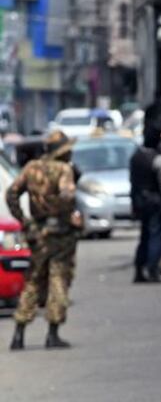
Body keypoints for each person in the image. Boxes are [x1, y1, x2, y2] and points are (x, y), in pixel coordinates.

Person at [7, 131, 81, 350]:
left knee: (33, 280)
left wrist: (25, 221)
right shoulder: (64, 170)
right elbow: (68, 196)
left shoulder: (31, 168)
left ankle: (19, 332)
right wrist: (64, 214)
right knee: (58, 278)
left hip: (37, 232)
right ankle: (53, 333)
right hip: (60, 234)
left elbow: (11, 194)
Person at [130, 115, 161, 283]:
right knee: (155, 235)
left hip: (140, 201)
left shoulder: (136, 157)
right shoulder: (158, 160)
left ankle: (139, 268)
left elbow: (133, 182)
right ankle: (152, 269)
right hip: (155, 202)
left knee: (144, 235)